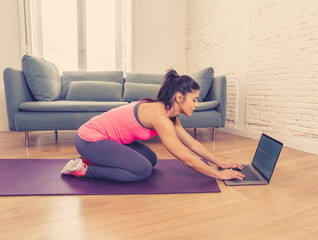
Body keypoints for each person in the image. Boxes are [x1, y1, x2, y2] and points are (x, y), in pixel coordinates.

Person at [61, 69, 245, 182]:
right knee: (141, 170)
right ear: (179, 98)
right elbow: (185, 157)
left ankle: (94, 157)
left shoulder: (171, 115)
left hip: (108, 140)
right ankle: (83, 169)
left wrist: (218, 162)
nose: (197, 104)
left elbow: (191, 143)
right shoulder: (159, 115)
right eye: (194, 99)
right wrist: (218, 174)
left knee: (151, 159)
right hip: (89, 139)